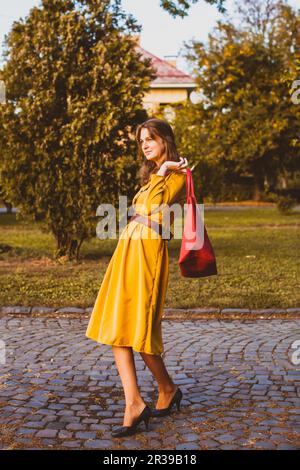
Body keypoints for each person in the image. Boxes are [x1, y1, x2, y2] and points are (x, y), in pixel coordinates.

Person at [85, 118, 194, 438]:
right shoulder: (157, 174)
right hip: (128, 251)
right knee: (119, 327)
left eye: (151, 138)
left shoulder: (178, 174)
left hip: (147, 253)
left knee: (141, 332)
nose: (145, 144)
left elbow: (154, 205)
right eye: (141, 140)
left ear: (166, 140)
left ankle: (168, 388)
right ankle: (133, 402)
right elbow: (140, 205)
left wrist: (164, 171)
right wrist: (158, 172)